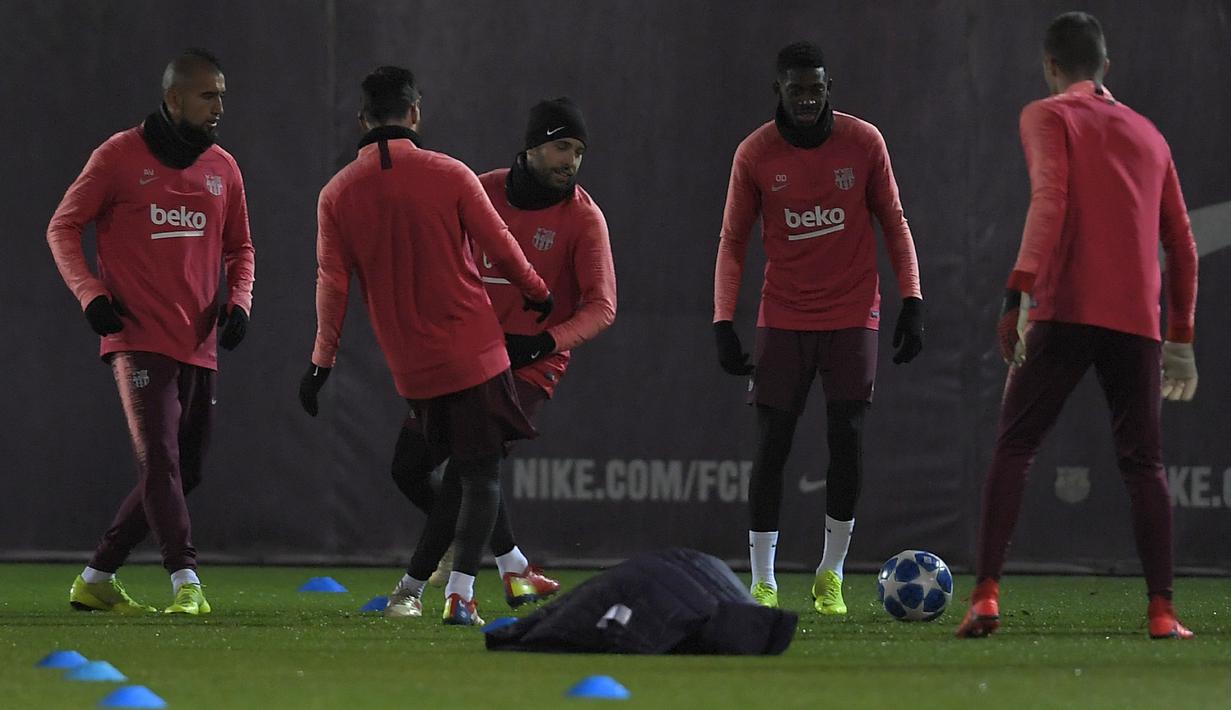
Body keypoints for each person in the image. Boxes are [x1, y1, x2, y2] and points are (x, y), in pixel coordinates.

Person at [955, 12, 1199, 640]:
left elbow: (1051, 199)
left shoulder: (1047, 114)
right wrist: (1182, 342)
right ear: (1106, 67)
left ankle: (985, 597)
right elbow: (1184, 245)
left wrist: (1018, 293)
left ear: (1050, 66)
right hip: (1138, 323)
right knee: (1145, 465)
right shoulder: (1151, 135)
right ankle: (1162, 612)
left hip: (1066, 310)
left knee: (1015, 445)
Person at [298, 66, 553, 626]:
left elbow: (331, 284)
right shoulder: (450, 174)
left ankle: (481, 571)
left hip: (412, 370)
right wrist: (537, 291)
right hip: (474, 350)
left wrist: (321, 363)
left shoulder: (336, 195)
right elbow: (501, 245)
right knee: (480, 476)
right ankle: (458, 593)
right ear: (415, 113)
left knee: (449, 472)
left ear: (362, 120)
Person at [713, 41, 924, 613]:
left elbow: (895, 223)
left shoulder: (863, 142)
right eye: (795, 88)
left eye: (815, 88)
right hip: (783, 316)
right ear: (778, 91)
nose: (806, 99)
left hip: (854, 314)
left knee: (847, 440)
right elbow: (733, 243)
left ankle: (830, 574)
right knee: (772, 447)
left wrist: (913, 299)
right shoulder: (756, 154)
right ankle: (764, 579)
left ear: (829, 89)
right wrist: (722, 321)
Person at [47, 48, 255, 616]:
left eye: (222, 95)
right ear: (173, 99)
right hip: (136, 338)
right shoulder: (118, 156)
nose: (219, 106)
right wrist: (91, 295)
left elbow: (241, 248)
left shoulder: (223, 167)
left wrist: (239, 301)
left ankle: (96, 576)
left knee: (186, 470)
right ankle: (186, 580)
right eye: (207, 95)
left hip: (199, 341)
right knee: (160, 460)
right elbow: (63, 227)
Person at [391, 97, 616, 608]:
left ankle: (414, 589)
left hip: (528, 368)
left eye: (579, 151)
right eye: (562, 146)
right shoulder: (480, 191)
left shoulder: (584, 218)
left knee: (468, 471)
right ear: (533, 146)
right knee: (408, 467)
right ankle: (512, 563)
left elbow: (602, 307)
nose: (572, 161)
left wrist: (544, 342)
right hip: (462, 358)